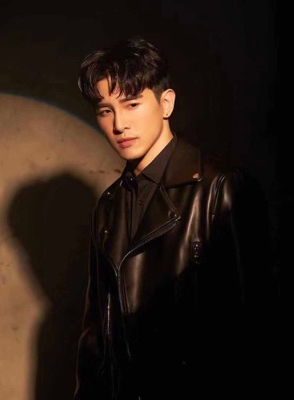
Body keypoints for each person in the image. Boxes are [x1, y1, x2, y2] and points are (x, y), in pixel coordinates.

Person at [73, 37, 277, 399]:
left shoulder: (221, 188)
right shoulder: (108, 207)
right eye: (105, 110)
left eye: (132, 104)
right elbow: (97, 340)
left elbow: (256, 329)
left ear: (165, 103)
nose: (119, 124)